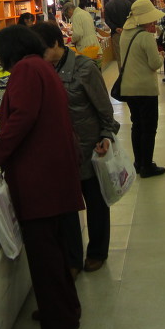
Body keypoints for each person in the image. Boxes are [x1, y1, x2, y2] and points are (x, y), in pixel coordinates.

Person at [0, 25, 83, 329]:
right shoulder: (41, 66)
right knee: (55, 250)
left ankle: (58, 325)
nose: (0, 62)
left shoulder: (25, 70)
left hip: (39, 178)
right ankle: (66, 310)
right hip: (54, 172)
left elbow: (21, 118)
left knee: (44, 255)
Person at [30, 21, 120, 274]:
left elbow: (105, 110)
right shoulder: (42, 71)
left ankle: (97, 252)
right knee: (67, 207)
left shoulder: (85, 68)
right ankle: (72, 259)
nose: (39, 57)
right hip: (60, 151)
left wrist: (106, 136)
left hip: (88, 147)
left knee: (96, 203)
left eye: (42, 50)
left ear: (56, 43)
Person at [118, 0, 165, 178]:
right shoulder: (146, 37)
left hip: (128, 88)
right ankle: (147, 166)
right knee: (149, 128)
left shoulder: (125, 34)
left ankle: (138, 162)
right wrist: (161, 56)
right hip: (145, 89)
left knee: (137, 125)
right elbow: (154, 64)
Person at [103, 0, 132, 64]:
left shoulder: (108, 5)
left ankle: (121, 71)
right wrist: (124, 28)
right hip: (128, 33)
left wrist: (115, 28)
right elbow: (131, 18)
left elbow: (107, 20)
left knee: (119, 57)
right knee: (129, 55)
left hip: (116, 34)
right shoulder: (128, 3)